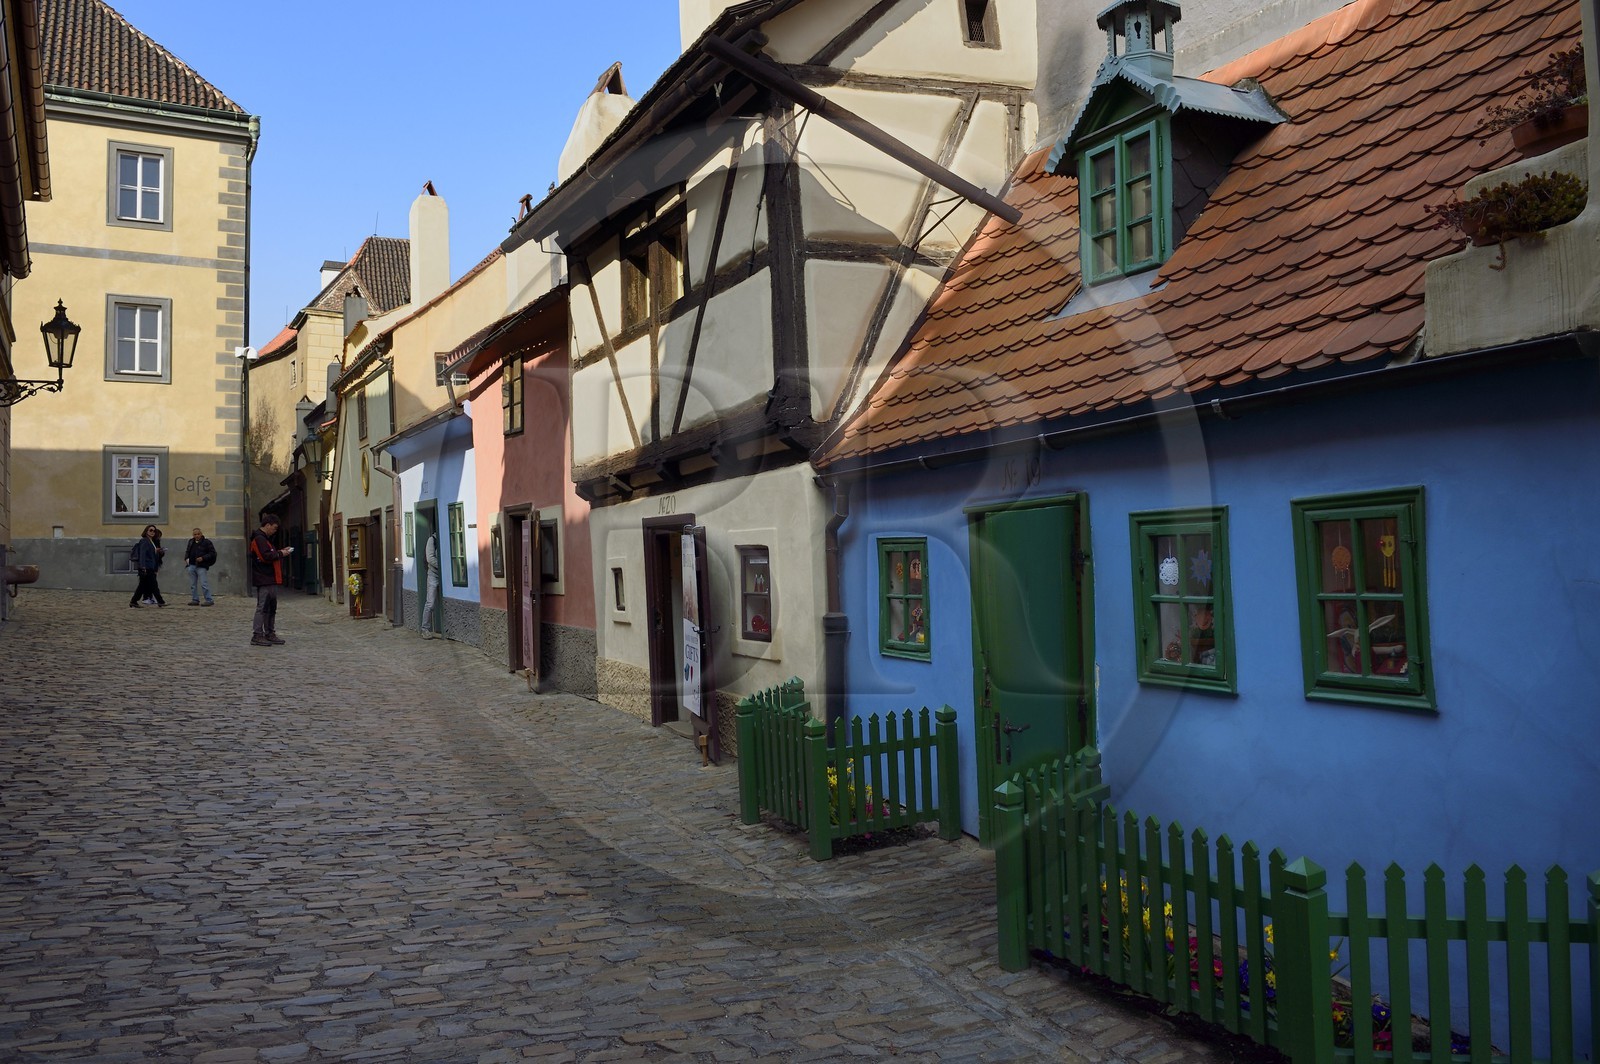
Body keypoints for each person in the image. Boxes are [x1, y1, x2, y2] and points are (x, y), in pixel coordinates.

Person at [249, 514, 293, 646]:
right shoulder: (259, 539)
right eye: (274, 528)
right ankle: (257, 634)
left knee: (271, 607)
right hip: (264, 578)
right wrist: (281, 553)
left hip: (270, 578)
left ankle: (269, 633)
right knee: (262, 607)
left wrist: (279, 551)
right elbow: (265, 556)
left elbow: (269, 554)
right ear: (267, 525)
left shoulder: (265, 539)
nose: (275, 531)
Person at [128, 524, 166, 607]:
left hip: (151, 566)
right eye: (151, 530)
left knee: (142, 585)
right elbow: (142, 554)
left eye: (154, 531)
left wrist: (158, 551)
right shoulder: (144, 541)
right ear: (146, 531)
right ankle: (161, 601)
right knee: (153, 585)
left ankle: (133, 601)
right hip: (146, 566)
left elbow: (152, 555)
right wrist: (143, 566)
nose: (153, 532)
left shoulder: (151, 541)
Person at [184, 526, 218, 605]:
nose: (197, 536)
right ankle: (195, 599)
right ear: (193, 535)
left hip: (201, 566)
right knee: (193, 584)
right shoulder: (191, 541)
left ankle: (209, 600)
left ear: (201, 534)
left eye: (198, 534)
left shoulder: (206, 542)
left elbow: (212, 553)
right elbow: (187, 551)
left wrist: (203, 558)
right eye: (195, 534)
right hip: (191, 565)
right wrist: (186, 558)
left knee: (204, 584)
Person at [420, 530, 440, 638]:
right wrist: (441, 565)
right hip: (433, 574)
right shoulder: (432, 540)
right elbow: (430, 558)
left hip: (443, 575)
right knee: (430, 602)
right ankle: (425, 628)